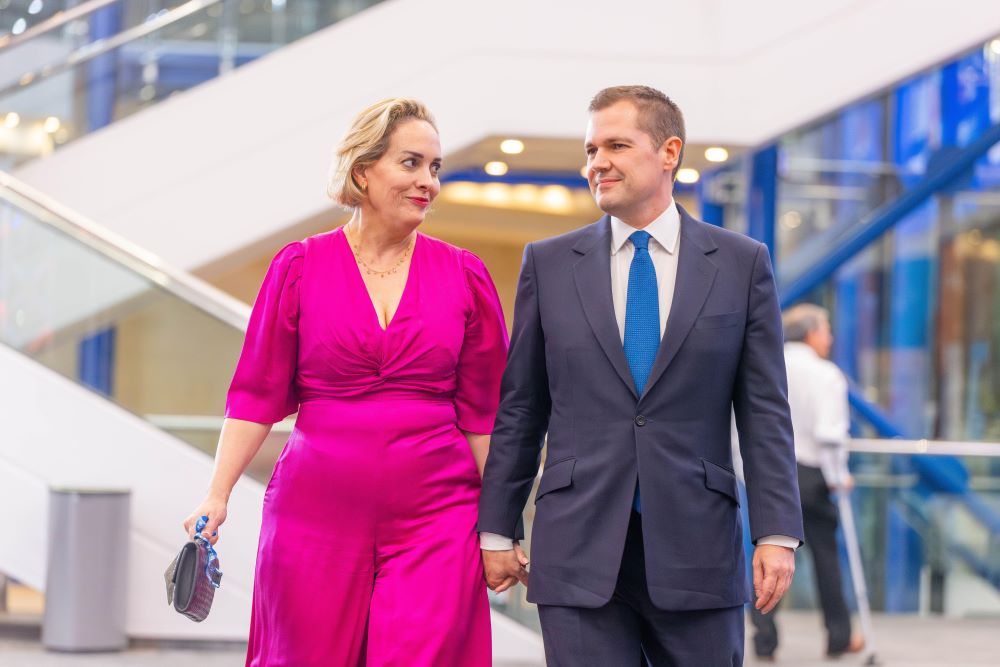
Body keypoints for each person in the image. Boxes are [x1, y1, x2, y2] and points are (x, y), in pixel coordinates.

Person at [477, 85, 805, 666]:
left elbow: (764, 411)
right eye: (590, 148)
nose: (596, 162)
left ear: (669, 151)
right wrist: (498, 529)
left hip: (698, 546)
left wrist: (776, 533)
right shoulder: (548, 265)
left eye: (616, 145)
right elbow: (523, 406)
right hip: (577, 549)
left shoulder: (741, 262)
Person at [182, 98, 509, 666]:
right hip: (314, 515)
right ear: (363, 170)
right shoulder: (299, 267)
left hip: (438, 516)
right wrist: (218, 493)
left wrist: (502, 529)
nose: (427, 182)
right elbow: (256, 395)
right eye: (411, 163)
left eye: (435, 167)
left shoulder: (464, 274)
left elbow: (486, 412)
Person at [749, 304, 864, 661]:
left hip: (769, 475)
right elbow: (830, 433)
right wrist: (837, 476)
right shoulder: (825, 373)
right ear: (811, 333)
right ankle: (839, 636)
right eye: (826, 330)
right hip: (812, 475)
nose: (829, 338)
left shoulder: (767, 364)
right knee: (826, 559)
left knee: (767, 556)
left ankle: (765, 642)